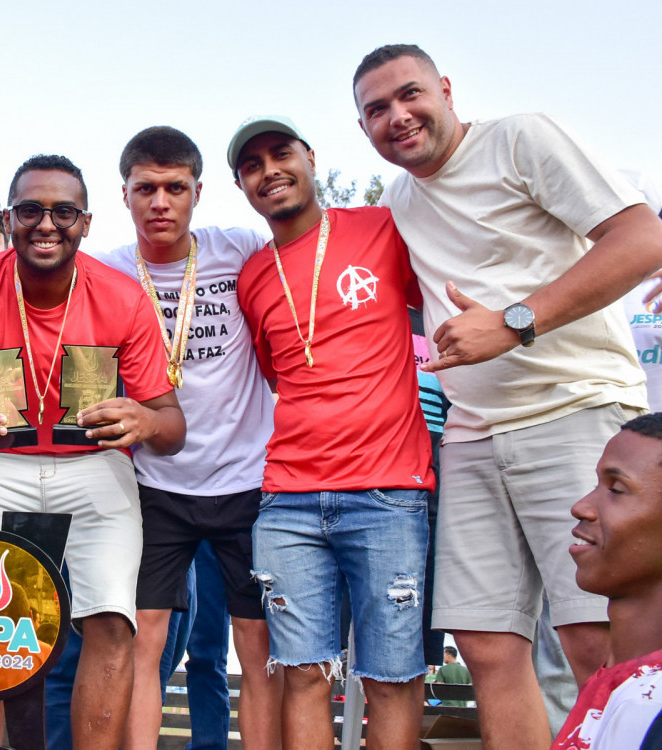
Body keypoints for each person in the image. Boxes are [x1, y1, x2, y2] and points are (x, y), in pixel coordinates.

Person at [353, 43, 662, 749]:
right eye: (376, 110)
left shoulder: (522, 138)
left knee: (599, 635)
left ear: (448, 89)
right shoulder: (399, 200)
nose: (397, 116)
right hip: (471, 433)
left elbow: (642, 237)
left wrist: (515, 323)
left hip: (575, 409)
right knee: (488, 645)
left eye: (410, 94)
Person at [0, 154, 186, 750]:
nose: (46, 224)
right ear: (10, 218)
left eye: (63, 211)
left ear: (86, 222)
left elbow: (172, 425)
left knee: (113, 618)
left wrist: (143, 418)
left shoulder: (121, 297)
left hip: (95, 466)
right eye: (31, 210)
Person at [231, 115, 433, 748]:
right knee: (301, 674)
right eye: (253, 165)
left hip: (390, 494)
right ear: (242, 186)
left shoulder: (381, 227)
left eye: (281, 153)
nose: (271, 171)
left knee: (393, 676)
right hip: (287, 501)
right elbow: (278, 375)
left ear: (311, 157)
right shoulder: (253, 277)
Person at [94, 125, 280, 749]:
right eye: (146, 188)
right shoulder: (106, 272)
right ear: (124, 194)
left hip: (246, 480)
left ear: (199, 191)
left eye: (176, 187)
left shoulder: (244, 247)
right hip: (155, 484)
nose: (160, 202)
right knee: (143, 642)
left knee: (257, 647)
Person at [553, 413, 662, 749]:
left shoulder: (651, 706)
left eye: (616, 489)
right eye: (597, 483)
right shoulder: (616, 687)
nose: (581, 506)